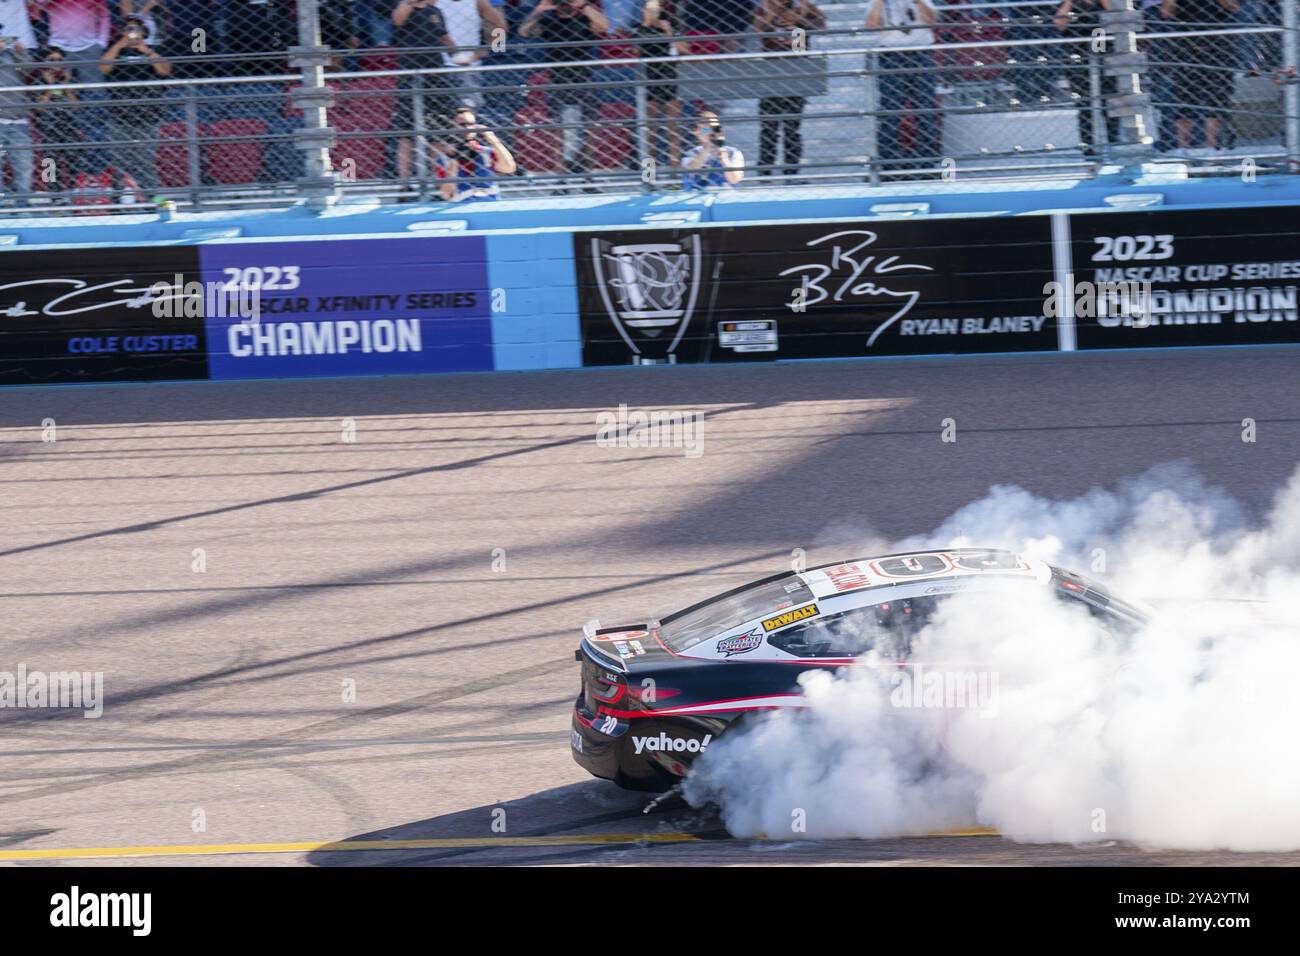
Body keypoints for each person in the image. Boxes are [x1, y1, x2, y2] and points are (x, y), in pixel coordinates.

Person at [518, 0, 609, 177]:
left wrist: (582, 5)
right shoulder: (549, 19)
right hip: (557, 79)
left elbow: (604, 26)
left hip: (585, 78)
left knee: (591, 128)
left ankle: (587, 173)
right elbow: (524, 32)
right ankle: (561, 177)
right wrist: (539, 10)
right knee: (558, 130)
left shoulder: (584, 16)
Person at [753, 0, 824, 181]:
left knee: (792, 128)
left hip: (796, 72)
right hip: (771, 74)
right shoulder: (765, 6)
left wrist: (799, 19)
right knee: (769, 126)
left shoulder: (804, 5)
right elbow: (757, 29)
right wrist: (774, 15)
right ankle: (765, 172)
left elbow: (822, 25)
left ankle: (791, 172)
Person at [98, 15, 171, 191]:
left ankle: (151, 196)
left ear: (143, 33)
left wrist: (146, 50)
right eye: (129, 29)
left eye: (136, 29)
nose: (132, 33)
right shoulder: (115, 51)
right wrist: (119, 45)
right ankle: (121, 197)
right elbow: (103, 68)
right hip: (119, 115)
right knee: (119, 160)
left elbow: (165, 71)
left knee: (145, 160)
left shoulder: (153, 50)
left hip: (149, 115)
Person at [864, 0, 940, 167]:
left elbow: (933, 21)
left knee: (926, 110)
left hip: (921, 53)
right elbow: (870, 25)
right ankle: (889, 162)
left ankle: (926, 161)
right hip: (891, 55)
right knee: (891, 111)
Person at [392, 0, 456, 182]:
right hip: (410, 75)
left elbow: (445, 38)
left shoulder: (435, 11)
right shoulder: (405, 7)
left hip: (435, 75)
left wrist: (459, 54)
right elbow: (397, 20)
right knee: (407, 135)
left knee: (439, 132)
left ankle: (440, 182)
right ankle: (405, 185)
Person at [1161, 0, 1239, 149]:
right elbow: (1165, 13)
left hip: (1217, 44)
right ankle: (1183, 147)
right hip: (1185, 45)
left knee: (1215, 96)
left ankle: (1212, 146)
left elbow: (1233, 6)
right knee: (1184, 96)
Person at [1054, 0, 1119, 156]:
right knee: (1085, 106)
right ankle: (1090, 152)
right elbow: (1059, 24)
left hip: (1104, 55)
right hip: (1078, 59)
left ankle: (1115, 146)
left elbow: (1117, 18)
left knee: (1109, 103)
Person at [630, 0, 684, 169]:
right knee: (650, 133)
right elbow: (634, 50)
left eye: (655, 8)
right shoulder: (640, 28)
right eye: (648, 9)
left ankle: (674, 175)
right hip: (649, 81)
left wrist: (668, 32)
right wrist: (646, 24)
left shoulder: (670, 24)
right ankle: (649, 175)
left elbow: (684, 49)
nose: (652, 11)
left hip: (670, 78)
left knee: (672, 130)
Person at [435, 0, 508, 107]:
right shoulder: (433, 1)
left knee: (467, 112)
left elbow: (501, 25)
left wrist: (490, 48)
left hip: (468, 67)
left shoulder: (477, 2)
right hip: (437, 65)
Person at [434, 104, 516, 199]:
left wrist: (492, 139)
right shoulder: (445, 158)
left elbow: (509, 168)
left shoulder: (486, 152)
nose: (468, 128)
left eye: (471, 124)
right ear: (452, 127)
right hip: (462, 207)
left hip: (491, 203)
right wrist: (454, 159)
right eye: (462, 125)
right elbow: (447, 195)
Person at [32, 46, 82, 193]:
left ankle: (74, 191)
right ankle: (53, 193)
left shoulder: (71, 78)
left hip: (69, 125)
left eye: (59, 60)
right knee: (50, 161)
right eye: (52, 60)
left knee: (73, 159)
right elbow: (40, 108)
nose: (56, 63)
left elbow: (77, 106)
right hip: (48, 127)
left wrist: (65, 85)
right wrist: (51, 85)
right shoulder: (39, 79)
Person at [34, 0, 111, 84]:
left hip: (89, 46)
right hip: (58, 48)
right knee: (58, 86)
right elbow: (39, 2)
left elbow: (104, 16)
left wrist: (101, 42)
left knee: (94, 88)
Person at [0, 34, 33, 202]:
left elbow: (29, 70)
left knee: (24, 165)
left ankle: (23, 205)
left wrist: (21, 51)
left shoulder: (10, 54)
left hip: (19, 121)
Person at [681, 109, 743, 188]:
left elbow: (734, 180)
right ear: (696, 132)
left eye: (715, 129)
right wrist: (707, 149)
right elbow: (690, 170)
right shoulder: (690, 153)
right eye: (705, 129)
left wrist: (725, 160)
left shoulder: (733, 152)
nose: (711, 132)